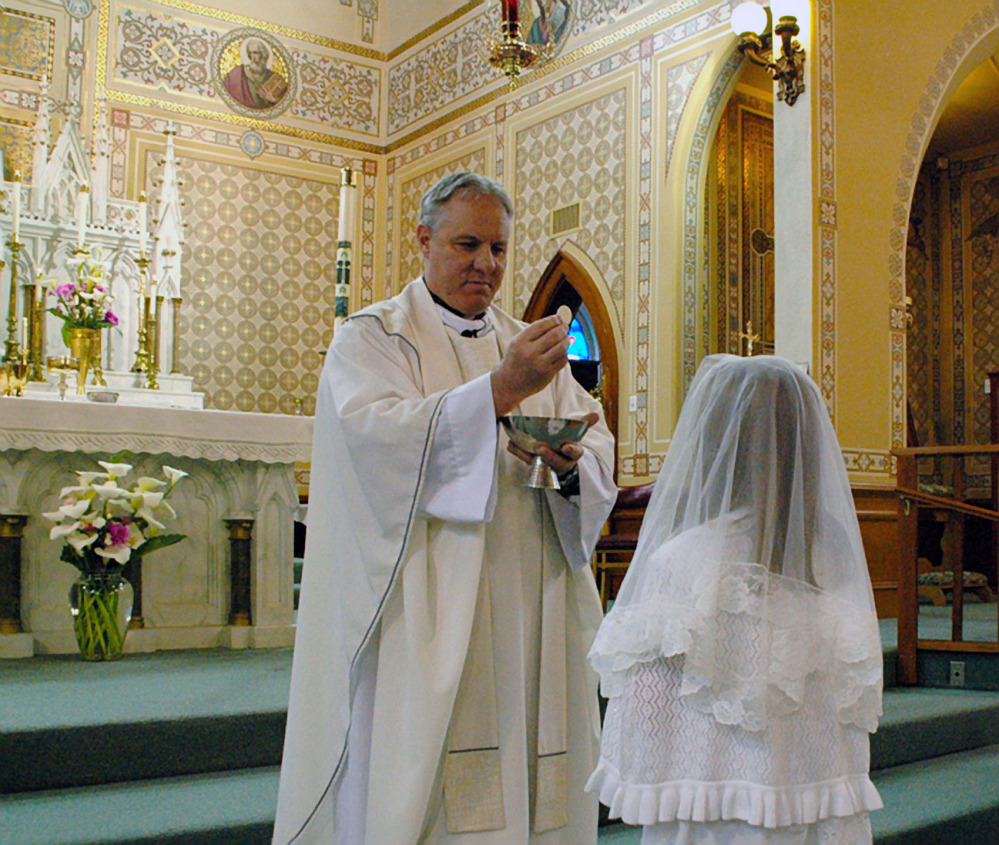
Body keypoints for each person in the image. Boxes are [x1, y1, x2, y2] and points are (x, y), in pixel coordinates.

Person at [273, 172, 617, 844]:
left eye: (497, 249)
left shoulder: (531, 344)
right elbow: (373, 443)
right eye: (467, 244)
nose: (484, 264)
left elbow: (592, 435)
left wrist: (576, 467)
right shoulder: (373, 339)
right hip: (424, 603)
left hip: (526, 598)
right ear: (424, 240)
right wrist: (498, 389)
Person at [586, 354, 884, 844]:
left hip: (711, 798)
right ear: (807, 446)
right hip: (810, 794)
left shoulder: (682, 558)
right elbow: (849, 699)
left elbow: (645, 707)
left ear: (711, 443)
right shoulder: (832, 553)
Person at [223, 37, 288, 110]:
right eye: (250, 53)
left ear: (263, 55)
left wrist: (273, 100)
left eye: (255, 53)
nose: (252, 57)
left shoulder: (273, 77)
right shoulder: (236, 74)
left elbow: (284, 99)